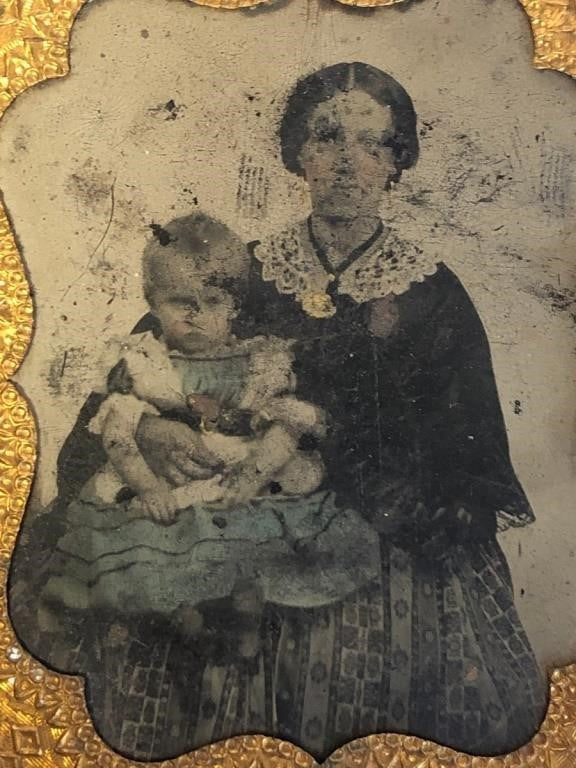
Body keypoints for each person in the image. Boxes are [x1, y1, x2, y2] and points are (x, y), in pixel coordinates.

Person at [10, 63, 547, 761]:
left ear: (396, 163)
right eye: (327, 139)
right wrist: (152, 426)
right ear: (299, 155)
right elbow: (135, 377)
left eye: (372, 144)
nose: (348, 164)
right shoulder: (245, 269)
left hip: (386, 538)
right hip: (224, 522)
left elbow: (461, 460)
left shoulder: (431, 294)